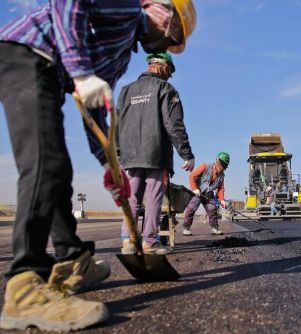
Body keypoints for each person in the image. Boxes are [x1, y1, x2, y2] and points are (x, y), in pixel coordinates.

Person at [0, 0, 196, 331]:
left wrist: (109, 162)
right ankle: (24, 288)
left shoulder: (120, 54)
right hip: (26, 53)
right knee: (45, 164)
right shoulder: (125, 5)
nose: (166, 43)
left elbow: (95, 108)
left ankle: (72, 259)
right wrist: (80, 71)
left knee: (58, 171)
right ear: (158, 7)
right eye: (172, 30)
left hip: (50, 72)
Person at [116, 52, 195, 255]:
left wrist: (118, 153)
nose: (169, 77)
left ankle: (128, 241)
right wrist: (186, 153)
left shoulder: (126, 91)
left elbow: (117, 125)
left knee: (132, 197)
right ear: (163, 67)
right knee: (153, 199)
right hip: (155, 153)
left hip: (130, 155)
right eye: (169, 72)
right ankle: (149, 242)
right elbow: (174, 124)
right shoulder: (165, 89)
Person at [183, 152, 230, 236]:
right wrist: (194, 189)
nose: (223, 167)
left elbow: (221, 188)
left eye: (225, 165)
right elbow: (192, 176)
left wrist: (222, 200)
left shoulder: (222, 175)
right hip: (198, 192)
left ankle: (214, 228)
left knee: (212, 209)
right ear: (217, 161)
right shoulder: (205, 166)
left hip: (208, 194)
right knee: (191, 208)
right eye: (222, 164)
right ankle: (186, 228)